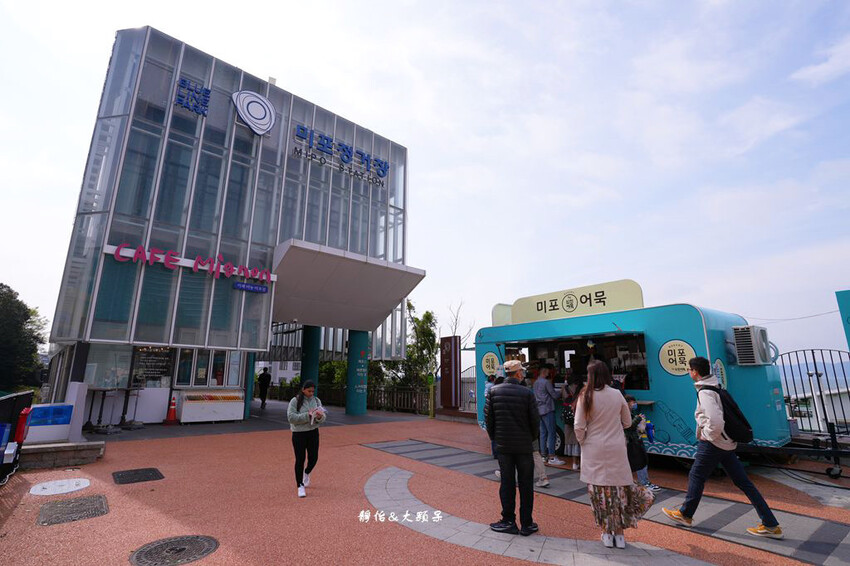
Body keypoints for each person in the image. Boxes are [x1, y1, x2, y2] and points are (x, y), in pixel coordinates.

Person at [663, 357, 783, 539]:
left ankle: (685, 514)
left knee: (696, 475)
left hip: (714, 443)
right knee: (744, 483)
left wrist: (707, 435)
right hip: (726, 444)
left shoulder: (705, 392)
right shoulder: (716, 387)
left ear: (695, 372)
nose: (688, 372)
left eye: (689, 369)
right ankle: (771, 524)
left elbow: (716, 421)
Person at [575, 360, 654, 549]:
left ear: (590, 376)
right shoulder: (617, 394)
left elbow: (579, 425)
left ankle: (606, 532)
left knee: (600, 492)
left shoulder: (586, 395)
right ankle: (619, 535)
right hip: (616, 447)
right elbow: (627, 423)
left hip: (593, 448)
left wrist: (584, 440)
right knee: (619, 491)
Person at [485, 359, 540, 536]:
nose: (523, 374)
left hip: (504, 447)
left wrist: (496, 439)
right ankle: (527, 523)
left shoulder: (493, 391)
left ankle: (508, 520)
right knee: (526, 485)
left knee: (507, 484)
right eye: (521, 371)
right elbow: (535, 422)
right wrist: (530, 439)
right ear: (517, 373)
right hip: (524, 447)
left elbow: (489, 421)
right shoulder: (527, 393)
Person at [287, 380, 326, 498]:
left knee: (314, 458)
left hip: (313, 432)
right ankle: (300, 485)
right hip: (299, 434)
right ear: (303, 389)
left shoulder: (317, 400)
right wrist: (307, 415)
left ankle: (307, 472)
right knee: (300, 459)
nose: (311, 393)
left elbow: (323, 418)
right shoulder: (295, 401)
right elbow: (291, 417)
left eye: (313, 391)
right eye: (309, 391)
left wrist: (319, 417)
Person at [624, 395, 661, 492]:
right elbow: (628, 427)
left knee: (639, 462)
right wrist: (638, 419)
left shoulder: (629, 413)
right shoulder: (623, 414)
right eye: (633, 402)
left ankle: (640, 483)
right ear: (627, 403)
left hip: (634, 440)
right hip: (631, 442)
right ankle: (644, 483)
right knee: (640, 462)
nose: (635, 404)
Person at [533, 364, 565, 466]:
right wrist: (562, 391)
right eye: (548, 371)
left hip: (539, 410)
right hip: (547, 409)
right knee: (551, 433)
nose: (549, 373)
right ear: (544, 371)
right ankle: (552, 456)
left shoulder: (536, 382)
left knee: (543, 433)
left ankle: (543, 456)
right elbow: (554, 395)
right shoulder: (546, 382)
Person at [561, 375, 583, 470]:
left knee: (571, 440)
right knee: (580, 440)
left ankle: (574, 463)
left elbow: (563, 399)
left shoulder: (564, 388)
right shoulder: (581, 389)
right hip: (578, 416)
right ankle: (581, 463)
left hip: (568, 418)